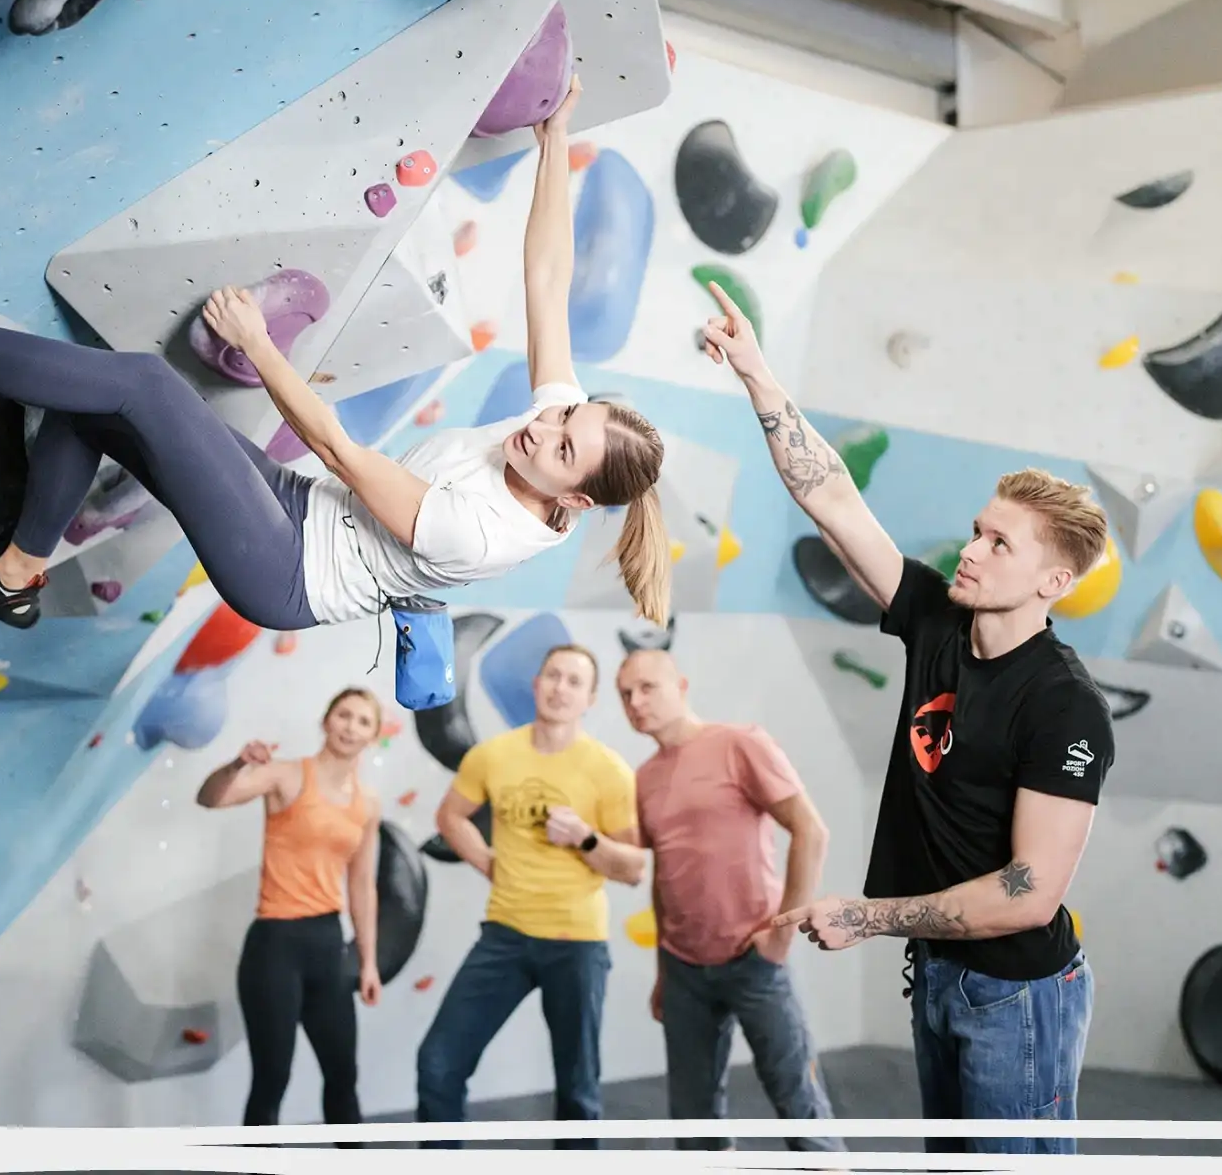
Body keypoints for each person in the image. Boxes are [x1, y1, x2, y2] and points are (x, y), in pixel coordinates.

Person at [0, 74, 668, 635]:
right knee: (96, 405)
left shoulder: (486, 532)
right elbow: (546, 280)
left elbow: (339, 450)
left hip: (289, 573)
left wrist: (255, 343)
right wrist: (555, 146)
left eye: (561, 446)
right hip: (305, 506)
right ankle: (16, 577)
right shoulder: (547, 439)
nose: (545, 425)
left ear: (575, 498)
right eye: (562, 413)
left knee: (137, 382)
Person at [697, 283, 1114, 1155]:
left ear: (1054, 582)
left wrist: (869, 917)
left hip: (1018, 993)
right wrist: (759, 376)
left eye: (1001, 544)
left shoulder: (1065, 705)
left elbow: (1028, 896)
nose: (970, 549)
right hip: (941, 972)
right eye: (977, 530)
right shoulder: (934, 619)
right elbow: (834, 499)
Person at [614, 648, 845, 1154]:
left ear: (682, 685)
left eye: (647, 687)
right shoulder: (644, 778)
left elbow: (811, 831)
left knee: (801, 1105)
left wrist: (781, 934)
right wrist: (661, 971)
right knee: (694, 1123)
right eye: (625, 694)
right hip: (682, 971)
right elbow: (664, 877)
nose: (635, 701)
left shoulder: (740, 743)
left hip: (754, 960)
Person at [417, 643, 646, 1149]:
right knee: (438, 1063)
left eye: (574, 682)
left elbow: (632, 868)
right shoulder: (493, 756)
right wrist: (487, 862)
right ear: (536, 683)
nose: (560, 688)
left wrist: (585, 838)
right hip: (505, 935)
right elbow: (450, 817)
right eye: (553, 676)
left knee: (578, 1095)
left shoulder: (608, 770)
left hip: (577, 943)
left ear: (589, 699)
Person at [195, 687, 385, 1142]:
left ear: (373, 736)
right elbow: (210, 798)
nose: (350, 726)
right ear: (326, 721)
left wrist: (369, 961)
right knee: (271, 1082)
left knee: (343, 1077)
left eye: (363, 721)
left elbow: (361, 884)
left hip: (327, 946)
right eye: (344, 715)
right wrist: (237, 765)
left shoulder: (368, 803)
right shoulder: (286, 776)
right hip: (275, 947)